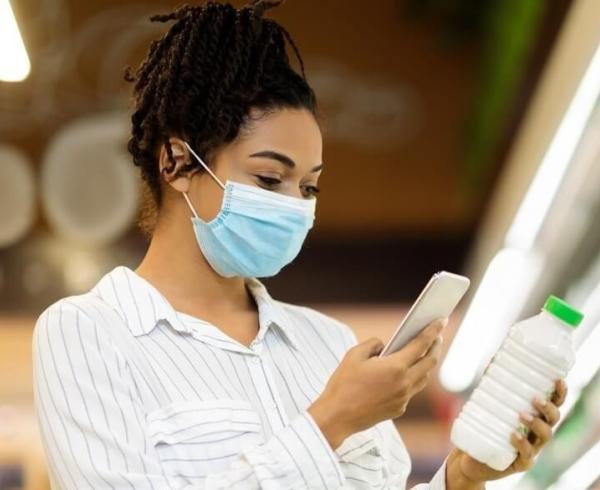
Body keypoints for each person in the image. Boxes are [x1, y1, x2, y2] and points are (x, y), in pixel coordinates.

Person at [32, 1, 567, 488]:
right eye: (269, 180)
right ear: (176, 163)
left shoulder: (328, 342)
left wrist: (463, 477)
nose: (295, 205)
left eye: (309, 186)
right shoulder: (88, 333)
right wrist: (332, 420)